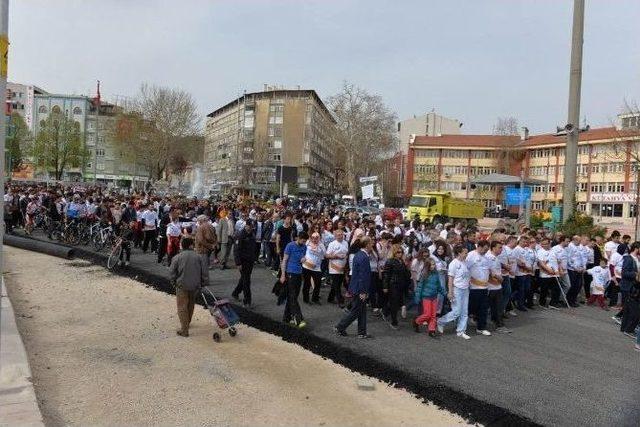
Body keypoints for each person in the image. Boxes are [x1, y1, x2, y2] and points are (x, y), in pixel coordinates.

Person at [335, 236, 374, 338]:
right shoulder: (363, 257)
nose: (372, 245)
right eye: (371, 243)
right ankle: (340, 327)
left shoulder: (359, 255)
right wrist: (363, 291)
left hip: (357, 287)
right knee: (356, 311)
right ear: (367, 245)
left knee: (361, 310)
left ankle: (362, 332)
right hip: (359, 289)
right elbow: (362, 276)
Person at [169, 237, 209, 337]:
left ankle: (184, 329)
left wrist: (173, 282)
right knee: (190, 305)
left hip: (181, 285)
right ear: (191, 245)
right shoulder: (199, 257)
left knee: (182, 307)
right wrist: (203, 282)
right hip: (195, 285)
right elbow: (204, 272)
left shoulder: (177, 257)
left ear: (183, 245)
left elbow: (172, 272)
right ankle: (188, 322)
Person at [437, 244, 471, 340]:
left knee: (464, 312)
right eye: (465, 253)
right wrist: (450, 292)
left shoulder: (466, 262)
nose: (466, 255)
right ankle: (441, 321)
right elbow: (450, 279)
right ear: (459, 253)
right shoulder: (454, 263)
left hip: (465, 289)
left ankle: (461, 331)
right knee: (456, 312)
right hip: (457, 289)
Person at [280, 231, 309, 328]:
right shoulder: (290, 246)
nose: (304, 243)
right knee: (292, 296)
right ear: (298, 238)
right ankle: (299, 319)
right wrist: (283, 275)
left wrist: (303, 259)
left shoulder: (304, 247)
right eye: (303, 241)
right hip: (290, 273)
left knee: (293, 296)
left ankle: (286, 317)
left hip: (299, 273)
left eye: (305, 241)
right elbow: (284, 260)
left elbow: (302, 258)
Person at [413, 258, 446, 337]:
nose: (433, 266)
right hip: (426, 297)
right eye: (431, 265)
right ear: (427, 265)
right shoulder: (424, 274)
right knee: (427, 314)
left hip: (434, 297)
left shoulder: (436, 274)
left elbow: (439, 286)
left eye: (434, 264)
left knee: (433, 315)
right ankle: (416, 321)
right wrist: (417, 297)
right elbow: (420, 287)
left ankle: (431, 330)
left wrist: (445, 293)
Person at [382, 243, 411, 330]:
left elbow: (406, 274)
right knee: (394, 303)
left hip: (401, 285)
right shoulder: (390, 261)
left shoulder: (401, 261)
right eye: (398, 252)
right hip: (393, 285)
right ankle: (394, 322)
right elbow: (386, 275)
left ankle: (385, 312)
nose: (400, 254)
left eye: (401, 252)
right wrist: (385, 286)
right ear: (394, 252)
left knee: (396, 303)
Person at [466, 240, 492, 336]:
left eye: (487, 250)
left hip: (484, 287)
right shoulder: (471, 255)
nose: (486, 251)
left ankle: (481, 327)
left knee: (483, 308)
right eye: (484, 249)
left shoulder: (486, 257)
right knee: (471, 308)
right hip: (474, 287)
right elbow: (466, 270)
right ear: (479, 247)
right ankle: (461, 323)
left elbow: (488, 271)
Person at [232, 219, 257, 307]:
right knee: (247, 281)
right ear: (246, 225)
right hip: (243, 261)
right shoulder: (240, 235)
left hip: (250, 260)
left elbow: (253, 247)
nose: (250, 228)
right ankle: (247, 301)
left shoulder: (252, 234)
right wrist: (238, 263)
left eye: (252, 227)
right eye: (249, 226)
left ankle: (235, 292)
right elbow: (236, 250)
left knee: (244, 278)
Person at [620, 242, 640, 338]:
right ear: (636, 248)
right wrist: (635, 274)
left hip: (635, 288)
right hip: (628, 287)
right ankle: (628, 329)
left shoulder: (637, 258)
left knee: (628, 309)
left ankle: (625, 328)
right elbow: (623, 273)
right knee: (634, 311)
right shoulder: (628, 258)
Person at [302, 232, 326, 305]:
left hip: (317, 268)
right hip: (306, 266)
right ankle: (306, 299)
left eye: (316, 237)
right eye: (313, 237)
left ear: (319, 238)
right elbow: (302, 250)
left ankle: (315, 299)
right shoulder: (307, 243)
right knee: (307, 283)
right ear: (311, 238)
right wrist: (302, 257)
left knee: (318, 284)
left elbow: (325, 254)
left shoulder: (321, 245)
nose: (314, 239)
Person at [326, 229, 348, 306]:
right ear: (335, 236)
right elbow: (327, 255)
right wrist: (335, 256)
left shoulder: (345, 243)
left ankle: (330, 298)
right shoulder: (332, 244)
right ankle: (340, 301)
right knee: (336, 284)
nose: (340, 236)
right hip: (334, 267)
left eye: (341, 235)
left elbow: (346, 253)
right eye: (338, 235)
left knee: (337, 284)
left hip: (342, 267)